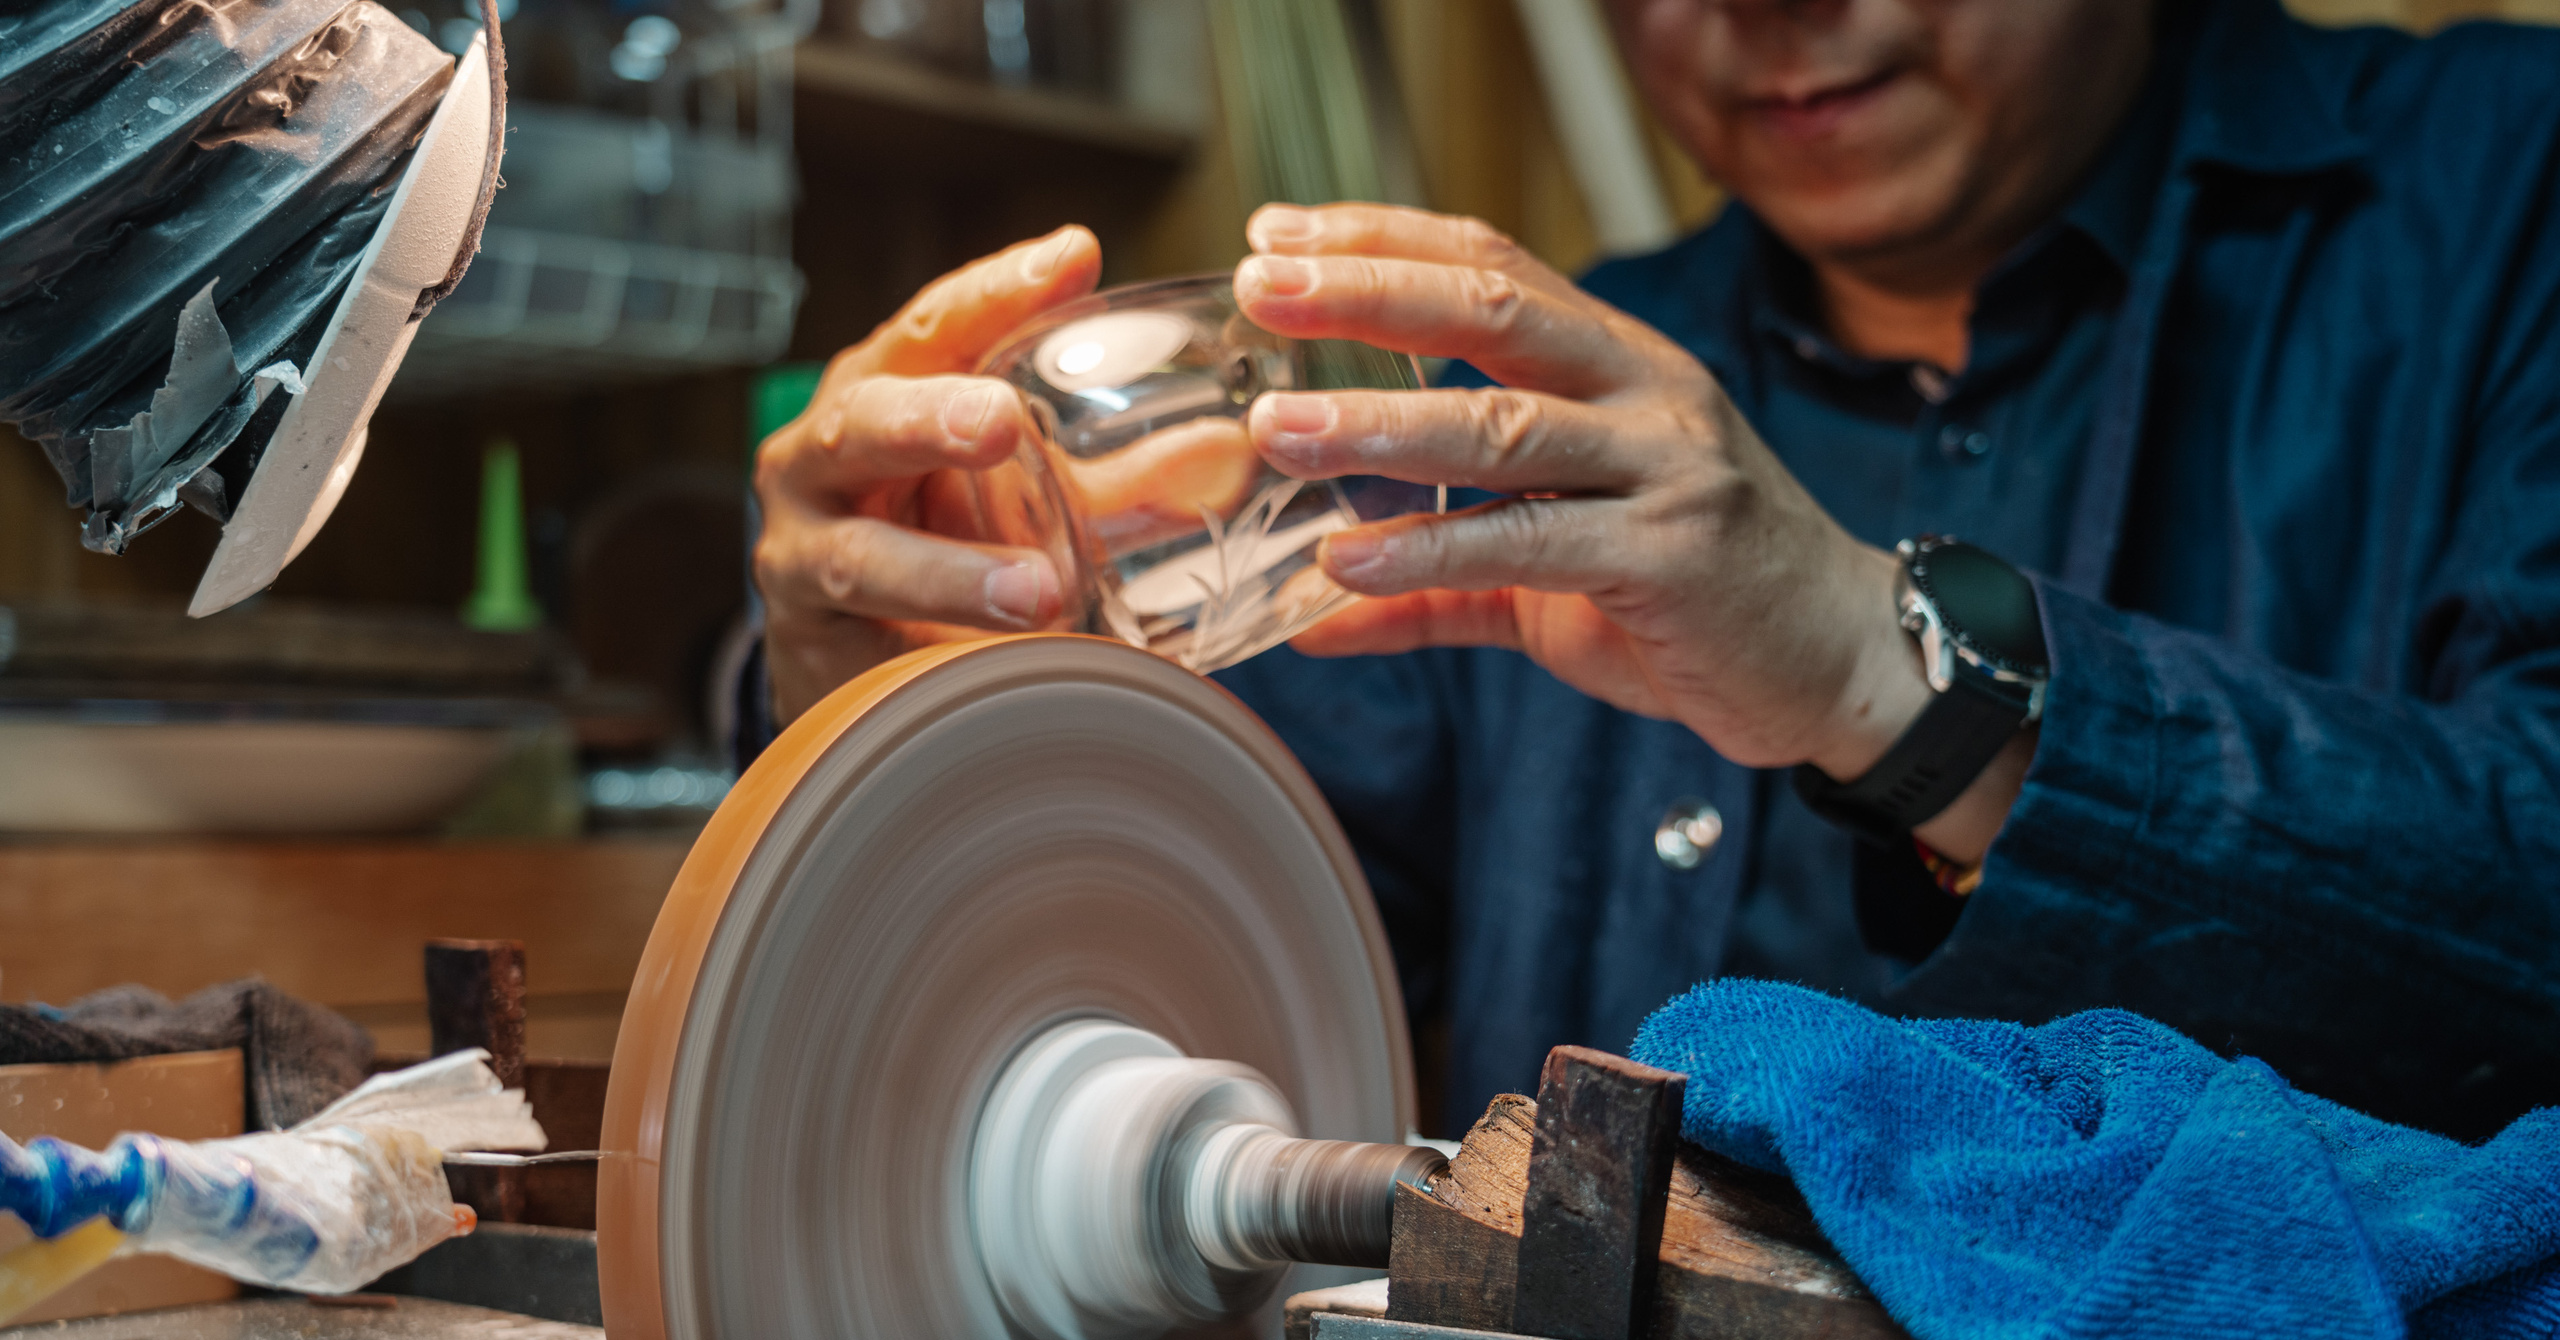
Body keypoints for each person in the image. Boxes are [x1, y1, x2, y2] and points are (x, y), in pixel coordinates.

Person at [744, 0, 2560, 1142]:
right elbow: (1190, 1011)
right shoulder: (1523, 407)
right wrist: (909, 728)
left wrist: (1892, 684)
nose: (1765, 17)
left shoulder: (2505, 188)